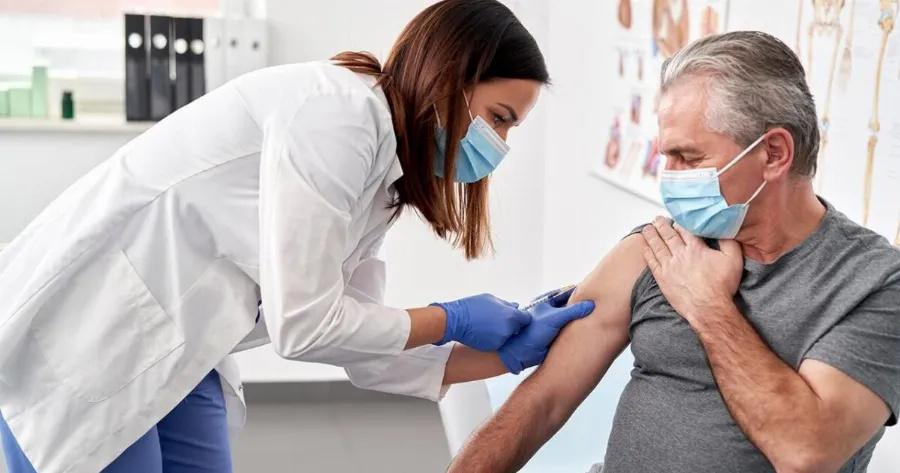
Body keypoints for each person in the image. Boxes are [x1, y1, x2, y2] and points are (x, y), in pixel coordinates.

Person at [0, 1, 595, 472]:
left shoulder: (380, 167)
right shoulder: (336, 117)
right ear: (449, 76)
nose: (499, 146)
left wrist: (501, 357)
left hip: (181, 341)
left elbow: (360, 344)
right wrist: (451, 318)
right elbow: (305, 327)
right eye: (498, 118)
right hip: (90, 331)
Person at [448, 31, 900, 473]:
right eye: (666, 156)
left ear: (774, 153)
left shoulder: (874, 283)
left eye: (689, 158)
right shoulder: (662, 247)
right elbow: (543, 400)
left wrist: (708, 305)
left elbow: (806, 453)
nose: (670, 178)